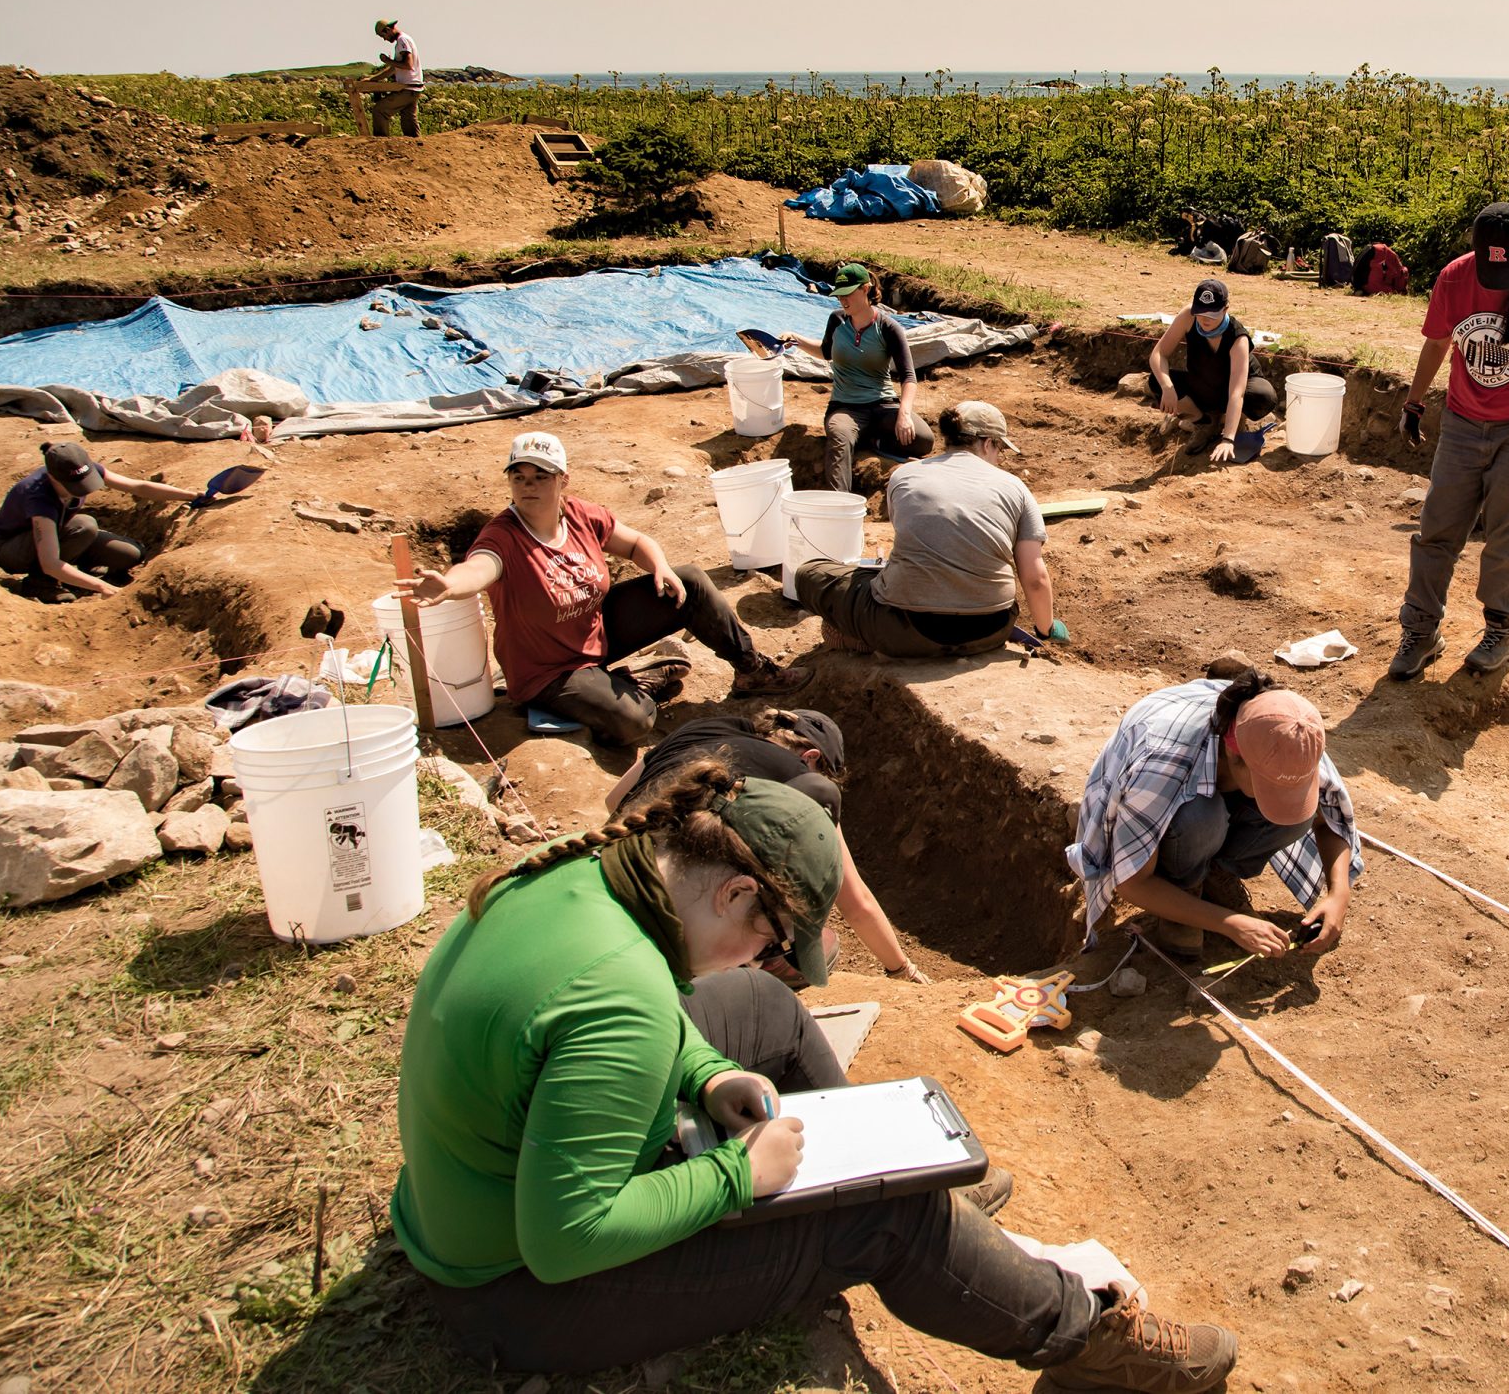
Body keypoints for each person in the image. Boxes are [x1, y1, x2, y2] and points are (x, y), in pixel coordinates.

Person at [392, 759, 1236, 1387]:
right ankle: (1088, 1336)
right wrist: (737, 1175)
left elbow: (602, 1033)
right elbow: (564, 1238)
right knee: (891, 1225)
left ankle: (874, 1174)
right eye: (769, 940)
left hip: (473, 1203)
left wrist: (705, 1072)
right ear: (732, 895)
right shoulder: (625, 1002)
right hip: (519, 1293)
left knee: (761, 1009)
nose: (767, 958)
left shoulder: (587, 874)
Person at [405, 431, 808, 745]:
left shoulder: (579, 514)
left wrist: (660, 566)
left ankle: (752, 670)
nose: (528, 486)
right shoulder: (503, 537)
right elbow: (479, 569)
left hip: (594, 631)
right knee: (635, 722)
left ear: (563, 480)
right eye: (519, 476)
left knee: (690, 581)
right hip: (549, 671)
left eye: (540, 477)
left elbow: (635, 543)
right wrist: (449, 585)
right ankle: (637, 682)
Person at [1391, 201, 1509, 678]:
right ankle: (1421, 630)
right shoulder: (1455, 278)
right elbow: (1437, 343)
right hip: (1461, 422)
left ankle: (1503, 628)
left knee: (1505, 537)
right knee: (1437, 531)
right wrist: (1413, 402)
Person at [603, 708, 931, 983]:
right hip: (686, 908)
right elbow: (855, 901)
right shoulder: (803, 780)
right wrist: (902, 969)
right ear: (811, 756)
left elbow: (614, 799)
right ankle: (746, 959)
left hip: (619, 860)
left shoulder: (702, 728)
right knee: (818, 942)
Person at [1070, 671, 1360, 960]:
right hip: (1166, 796)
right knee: (1200, 819)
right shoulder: (1162, 763)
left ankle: (1218, 874)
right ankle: (1181, 885)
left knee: (1298, 817)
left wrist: (1338, 895)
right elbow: (1131, 880)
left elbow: (1327, 820)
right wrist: (1229, 924)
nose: (1277, 796)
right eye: (1268, 788)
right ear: (1235, 756)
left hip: (1207, 776)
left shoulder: (1293, 737)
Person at [788, 401, 1064, 659]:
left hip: (904, 628)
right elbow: (1035, 578)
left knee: (810, 573)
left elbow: (913, 537)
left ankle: (865, 640)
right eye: (999, 449)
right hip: (991, 631)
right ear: (988, 443)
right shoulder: (1015, 487)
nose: (999, 458)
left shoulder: (905, 475)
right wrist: (1044, 629)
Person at [0, 441, 206, 598]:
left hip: (62, 534)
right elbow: (50, 562)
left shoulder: (83, 470)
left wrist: (190, 495)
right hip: (11, 550)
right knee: (84, 525)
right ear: (53, 476)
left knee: (130, 554)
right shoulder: (38, 497)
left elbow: (138, 487)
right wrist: (101, 587)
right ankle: (40, 583)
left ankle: (78, 573)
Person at [817, 263, 935, 493]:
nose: (843, 300)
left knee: (923, 439)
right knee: (839, 438)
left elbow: (909, 376)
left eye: (848, 293)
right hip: (845, 407)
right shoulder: (837, 320)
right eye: (839, 295)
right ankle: (838, 504)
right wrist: (795, 340)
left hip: (882, 405)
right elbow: (825, 352)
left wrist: (904, 414)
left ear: (865, 289)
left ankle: (872, 440)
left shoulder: (888, 327)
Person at [1147, 277, 1278, 464]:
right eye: (1201, 313)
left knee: (1263, 395)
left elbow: (1237, 393)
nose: (1205, 319)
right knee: (1156, 381)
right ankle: (1205, 423)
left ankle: (1232, 420)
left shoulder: (1237, 338)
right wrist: (1167, 387)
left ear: (1225, 309)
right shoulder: (1188, 316)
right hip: (1203, 382)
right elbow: (1159, 353)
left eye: (1212, 314)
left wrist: (1228, 439)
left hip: (1234, 388)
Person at [368, 18, 423, 137]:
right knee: (408, 120)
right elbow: (394, 69)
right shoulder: (405, 40)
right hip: (414, 88)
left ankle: (380, 143)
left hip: (408, 88)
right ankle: (417, 146)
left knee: (380, 111)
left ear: (387, 30)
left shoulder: (402, 41)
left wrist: (388, 61)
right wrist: (373, 79)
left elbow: (408, 65)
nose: (385, 39)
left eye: (383, 36)